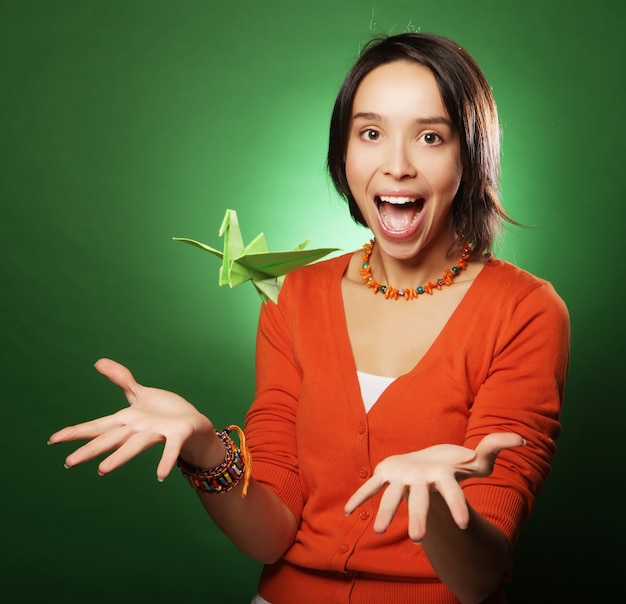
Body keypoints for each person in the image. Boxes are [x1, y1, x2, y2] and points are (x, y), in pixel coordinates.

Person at [49, 32, 570, 604]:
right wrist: (205, 450)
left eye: (430, 137)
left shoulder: (526, 312)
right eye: (371, 133)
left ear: (469, 156)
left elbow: (476, 581)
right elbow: (271, 537)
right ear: (342, 153)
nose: (396, 166)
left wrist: (440, 504)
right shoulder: (294, 297)